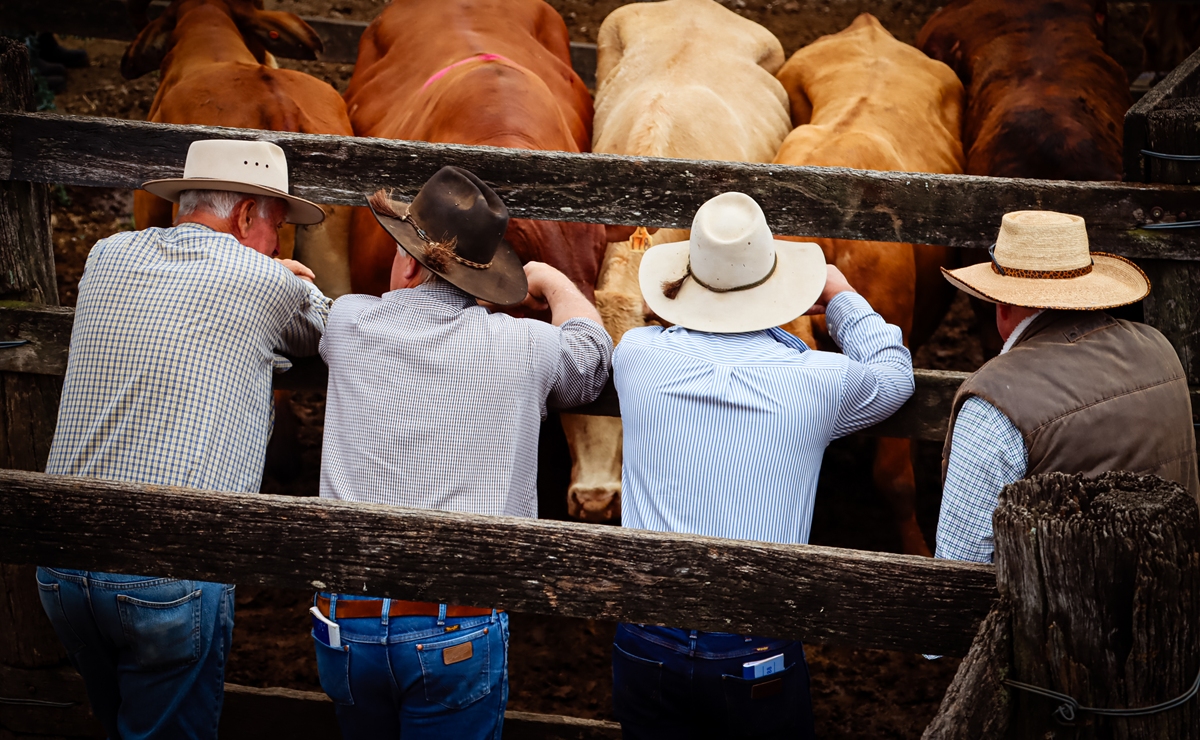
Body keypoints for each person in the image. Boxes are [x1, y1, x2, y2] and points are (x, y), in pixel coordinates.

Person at [36, 139, 331, 740]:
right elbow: (327, 333)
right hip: (168, 568)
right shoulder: (264, 277)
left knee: (116, 720)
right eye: (276, 225)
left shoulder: (107, 252)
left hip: (60, 560)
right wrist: (294, 280)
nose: (278, 241)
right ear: (248, 216)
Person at [313, 166, 613, 739]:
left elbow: (309, 316)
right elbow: (593, 359)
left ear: (405, 261)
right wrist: (553, 285)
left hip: (347, 623)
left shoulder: (348, 322)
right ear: (482, 285)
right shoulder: (526, 344)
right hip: (457, 624)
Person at [610, 192, 915, 739]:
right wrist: (841, 297)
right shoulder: (816, 379)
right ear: (777, 286)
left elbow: (651, 330)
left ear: (689, 278)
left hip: (648, 628)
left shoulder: (638, 356)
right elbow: (894, 373)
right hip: (755, 635)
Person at [936, 210, 1200, 564]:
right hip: (1173, 599)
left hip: (1058, 614)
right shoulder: (1160, 349)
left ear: (1000, 304)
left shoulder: (993, 403)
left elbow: (959, 564)